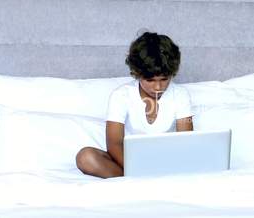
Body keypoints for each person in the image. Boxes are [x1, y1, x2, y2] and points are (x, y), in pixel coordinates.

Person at [76, 32, 193, 178]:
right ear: (137, 73)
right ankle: (142, 179)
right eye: (150, 80)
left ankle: (137, 180)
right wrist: (138, 167)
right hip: (129, 161)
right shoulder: (121, 95)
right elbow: (114, 143)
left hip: (167, 161)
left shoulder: (180, 95)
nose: (158, 87)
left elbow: (186, 141)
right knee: (86, 157)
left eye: (164, 79)